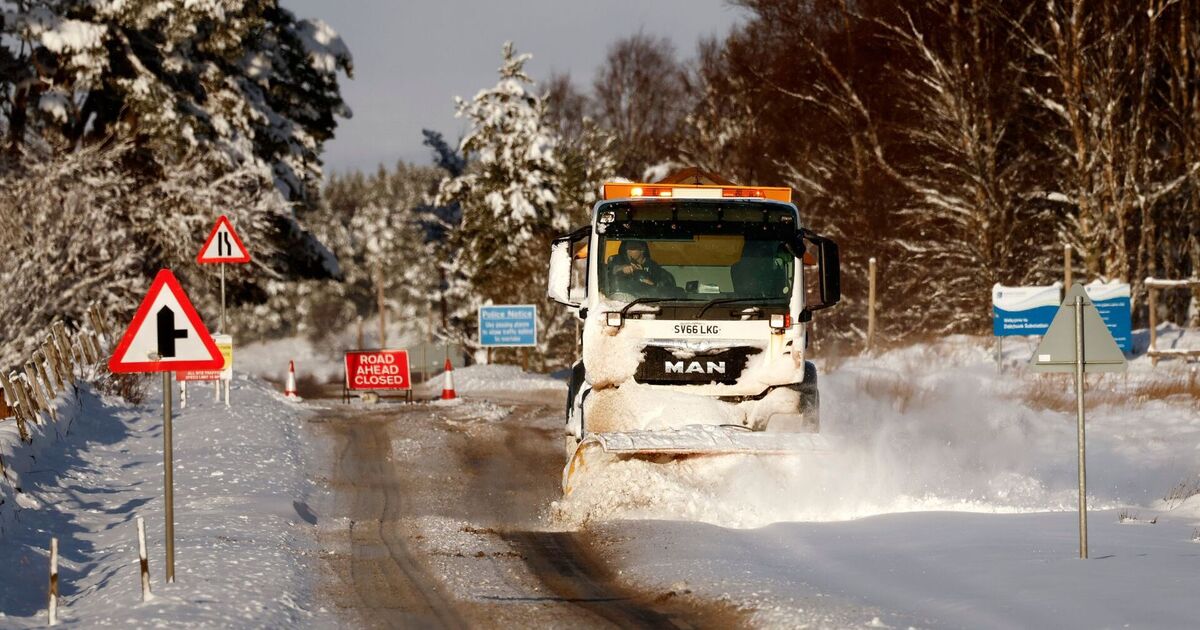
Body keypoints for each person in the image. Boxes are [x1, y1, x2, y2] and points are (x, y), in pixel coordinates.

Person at [607, 240, 677, 295]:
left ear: (642, 249)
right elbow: (610, 270)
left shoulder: (654, 267)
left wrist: (644, 279)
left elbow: (663, 289)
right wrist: (622, 268)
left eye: (632, 248)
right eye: (627, 248)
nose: (628, 251)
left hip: (645, 301)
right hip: (624, 301)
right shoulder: (619, 259)